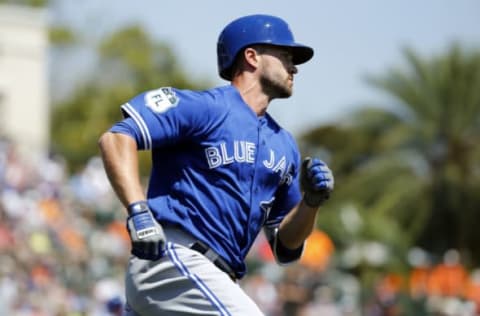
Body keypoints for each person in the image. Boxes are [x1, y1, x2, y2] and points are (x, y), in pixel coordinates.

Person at [98, 14, 334, 316]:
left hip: (211, 282)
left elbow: (285, 246)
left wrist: (311, 203)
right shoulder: (205, 108)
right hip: (173, 260)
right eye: (285, 55)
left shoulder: (284, 144)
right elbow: (116, 138)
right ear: (251, 56)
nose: (294, 66)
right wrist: (138, 212)